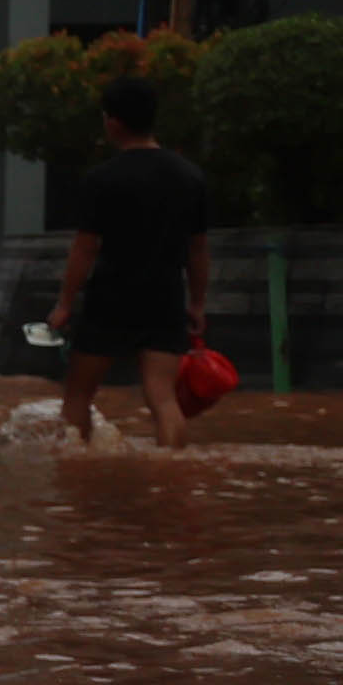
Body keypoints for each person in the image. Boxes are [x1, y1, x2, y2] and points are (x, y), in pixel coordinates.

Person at [55, 74, 219, 447]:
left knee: (79, 395)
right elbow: (198, 249)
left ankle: (73, 477)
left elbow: (85, 248)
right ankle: (172, 475)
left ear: (113, 122)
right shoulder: (190, 177)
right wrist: (196, 303)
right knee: (162, 397)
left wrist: (64, 305)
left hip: (110, 296)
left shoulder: (101, 179)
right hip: (164, 296)